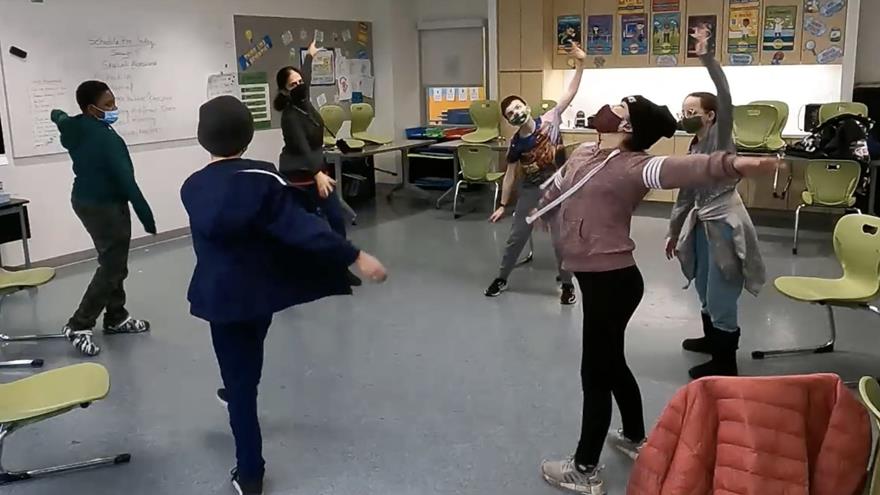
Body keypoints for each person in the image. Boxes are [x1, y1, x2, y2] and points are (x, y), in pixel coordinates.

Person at [529, 94, 781, 492]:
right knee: (611, 363)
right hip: (598, 279)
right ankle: (633, 438)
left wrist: (735, 164)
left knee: (595, 373)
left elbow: (687, 167)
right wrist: (544, 207)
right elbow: (559, 185)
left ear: (628, 127)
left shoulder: (637, 167)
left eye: (620, 109)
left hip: (612, 281)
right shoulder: (586, 152)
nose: (608, 110)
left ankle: (585, 469)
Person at [181, 95, 387, 495]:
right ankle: (249, 456)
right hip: (258, 293)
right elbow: (301, 227)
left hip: (219, 298)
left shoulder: (191, 187)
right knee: (246, 363)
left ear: (203, 139)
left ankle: (250, 470)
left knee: (238, 374)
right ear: (247, 136)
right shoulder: (264, 178)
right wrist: (355, 255)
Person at [667, 27, 765, 379]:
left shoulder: (721, 138)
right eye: (683, 109)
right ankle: (712, 342)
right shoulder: (693, 146)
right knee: (702, 282)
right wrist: (674, 231)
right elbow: (686, 193)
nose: (686, 114)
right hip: (701, 221)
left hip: (724, 223)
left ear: (710, 115)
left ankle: (726, 363)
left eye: (692, 110)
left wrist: (706, 56)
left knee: (722, 290)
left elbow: (725, 95)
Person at [51, 81, 155, 357]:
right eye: (108, 105)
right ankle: (79, 324)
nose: (114, 109)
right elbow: (127, 182)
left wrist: (56, 114)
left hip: (84, 200)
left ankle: (116, 317)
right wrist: (146, 215)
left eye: (113, 102)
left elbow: (59, 118)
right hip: (105, 206)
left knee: (114, 261)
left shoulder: (77, 126)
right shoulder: (107, 139)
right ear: (91, 109)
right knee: (112, 265)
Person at [484, 43, 586, 304]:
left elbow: (570, 92)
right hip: (531, 192)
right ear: (509, 121)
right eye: (510, 114)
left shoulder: (551, 119)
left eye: (518, 107)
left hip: (559, 188)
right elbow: (509, 175)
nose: (516, 113)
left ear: (526, 106)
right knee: (516, 237)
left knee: (560, 240)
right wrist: (503, 204)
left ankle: (567, 285)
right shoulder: (516, 143)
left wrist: (581, 64)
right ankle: (501, 277)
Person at [274, 39, 361, 286]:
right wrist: (318, 173)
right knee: (300, 225)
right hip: (298, 174)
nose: (300, 85)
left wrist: (310, 56)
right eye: (293, 84)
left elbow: (307, 76)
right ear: (284, 91)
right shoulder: (290, 116)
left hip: (316, 170)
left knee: (335, 217)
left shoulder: (305, 101)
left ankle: (340, 268)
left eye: (300, 82)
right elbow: (301, 147)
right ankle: (289, 269)